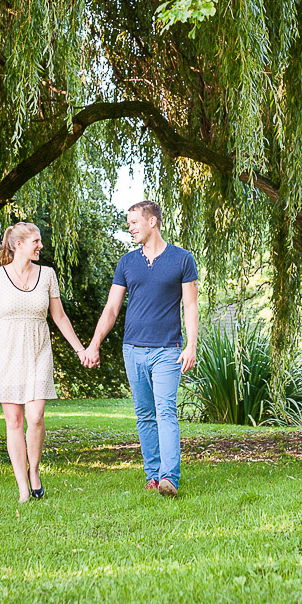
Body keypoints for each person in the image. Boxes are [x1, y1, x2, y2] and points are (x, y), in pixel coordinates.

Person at [84, 200, 198, 498]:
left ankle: (169, 477)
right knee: (145, 414)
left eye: (134, 222)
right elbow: (111, 308)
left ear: (152, 222)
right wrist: (95, 343)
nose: (130, 228)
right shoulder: (127, 262)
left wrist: (191, 344)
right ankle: (152, 475)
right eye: (128, 223)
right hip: (132, 349)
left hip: (167, 350)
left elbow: (190, 304)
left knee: (166, 410)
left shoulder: (182, 259)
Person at [0, 222, 87, 503]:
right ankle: (23, 487)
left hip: (38, 350)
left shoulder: (47, 275)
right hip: (6, 351)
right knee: (14, 421)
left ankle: (34, 471)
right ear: (18, 245)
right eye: (36, 241)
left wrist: (80, 349)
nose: (40, 246)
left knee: (35, 417)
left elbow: (59, 317)